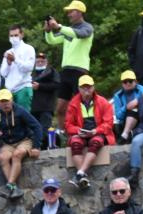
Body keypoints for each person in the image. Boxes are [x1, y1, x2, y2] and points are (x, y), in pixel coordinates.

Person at [44, 1, 95, 135]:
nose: (68, 14)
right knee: (60, 108)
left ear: (79, 12)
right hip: (66, 72)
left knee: (80, 106)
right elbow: (52, 41)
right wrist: (48, 31)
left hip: (80, 72)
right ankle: (63, 135)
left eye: (71, 11)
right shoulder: (68, 30)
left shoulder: (87, 27)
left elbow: (79, 34)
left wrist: (59, 26)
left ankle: (84, 131)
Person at [0, 89, 43, 199]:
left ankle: (9, 186)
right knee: (3, 157)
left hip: (24, 140)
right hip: (8, 143)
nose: (5, 104)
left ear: (12, 100)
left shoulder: (21, 111)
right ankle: (13, 187)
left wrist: (37, 146)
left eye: (7, 101)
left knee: (17, 155)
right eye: (2, 101)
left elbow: (37, 126)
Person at [65, 75, 114, 190]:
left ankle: (80, 173)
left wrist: (95, 131)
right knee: (75, 143)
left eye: (89, 87)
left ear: (93, 87)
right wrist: (78, 131)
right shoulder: (73, 103)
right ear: (79, 89)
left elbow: (108, 123)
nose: (86, 89)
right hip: (81, 133)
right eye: (83, 87)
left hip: (98, 132)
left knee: (96, 142)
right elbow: (68, 125)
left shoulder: (103, 102)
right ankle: (82, 177)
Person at [1, 25, 37, 111]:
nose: (13, 38)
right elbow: (3, 73)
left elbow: (29, 68)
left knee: (23, 117)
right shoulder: (8, 52)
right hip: (10, 90)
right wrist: (8, 64)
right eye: (11, 36)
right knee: (11, 118)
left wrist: (15, 60)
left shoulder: (28, 49)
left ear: (22, 35)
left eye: (16, 35)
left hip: (23, 87)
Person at [30, 52, 61, 147]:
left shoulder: (51, 72)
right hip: (33, 108)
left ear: (46, 62)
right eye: (38, 61)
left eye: (42, 61)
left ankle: (47, 146)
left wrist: (40, 86)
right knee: (34, 130)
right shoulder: (31, 73)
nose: (39, 62)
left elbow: (57, 85)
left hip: (46, 107)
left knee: (44, 130)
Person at [111, 70, 143, 142]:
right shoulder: (117, 96)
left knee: (135, 108)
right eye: (125, 82)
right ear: (122, 84)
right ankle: (126, 134)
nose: (128, 83)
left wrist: (138, 101)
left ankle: (125, 135)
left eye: (130, 81)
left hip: (142, 118)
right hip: (125, 121)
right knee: (132, 110)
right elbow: (118, 116)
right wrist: (126, 107)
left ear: (135, 81)